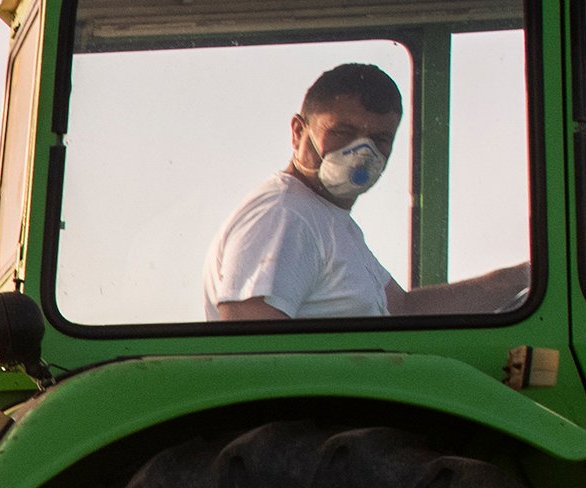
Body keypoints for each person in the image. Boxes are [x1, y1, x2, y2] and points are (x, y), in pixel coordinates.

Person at [206, 63, 523, 320]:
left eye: (380, 139)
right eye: (343, 131)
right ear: (298, 131)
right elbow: (251, 345)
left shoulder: (327, 219)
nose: (362, 151)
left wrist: (521, 279)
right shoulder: (284, 217)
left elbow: (402, 311)